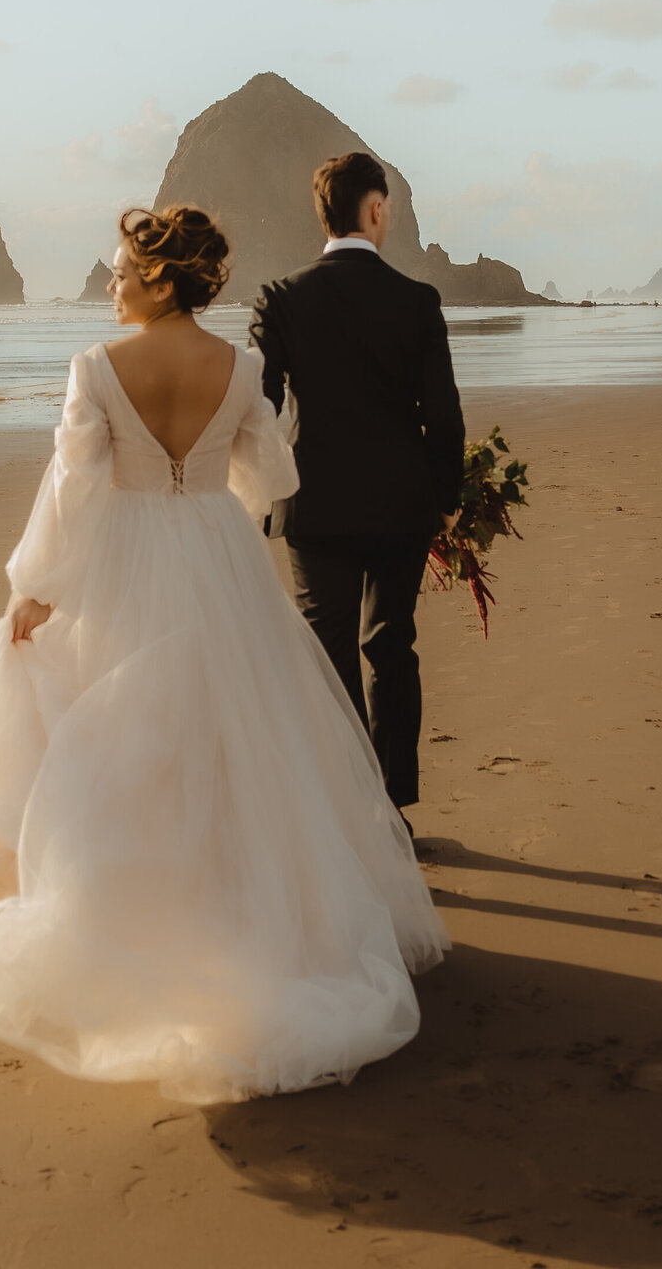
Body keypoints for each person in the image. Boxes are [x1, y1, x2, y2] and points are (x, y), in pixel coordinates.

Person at [0, 205, 447, 1105]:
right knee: (234, 744)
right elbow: (272, 477)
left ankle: (146, 941)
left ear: (162, 278)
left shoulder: (95, 368)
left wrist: (34, 589)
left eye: (123, 268)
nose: (114, 279)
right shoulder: (240, 368)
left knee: (127, 749)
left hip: (125, 563)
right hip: (215, 555)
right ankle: (247, 933)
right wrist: (206, 484)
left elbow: (73, 490)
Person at [249, 154, 468, 829]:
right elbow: (444, 412)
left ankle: (349, 805)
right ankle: (392, 805)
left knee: (329, 650)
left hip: (313, 504)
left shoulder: (280, 299)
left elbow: (258, 406)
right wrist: (449, 498)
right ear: (373, 210)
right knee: (391, 645)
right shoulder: (418, 302)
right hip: (402, 504)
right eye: (389, 204)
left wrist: (260, 490)